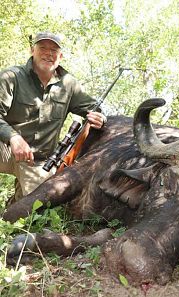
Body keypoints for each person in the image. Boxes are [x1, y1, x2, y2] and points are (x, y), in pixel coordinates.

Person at [0, 32, 106, 203]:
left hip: (37, 160)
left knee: (33, 210)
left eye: (54, 50)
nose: (48, 53)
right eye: (43, 48)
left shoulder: (69, 83)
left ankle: (13, 204)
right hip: (6, 148)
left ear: (60, 56)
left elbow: (94, 109)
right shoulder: (11, 77)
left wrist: (100, 118)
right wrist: (13, 137)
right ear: (32, 50)